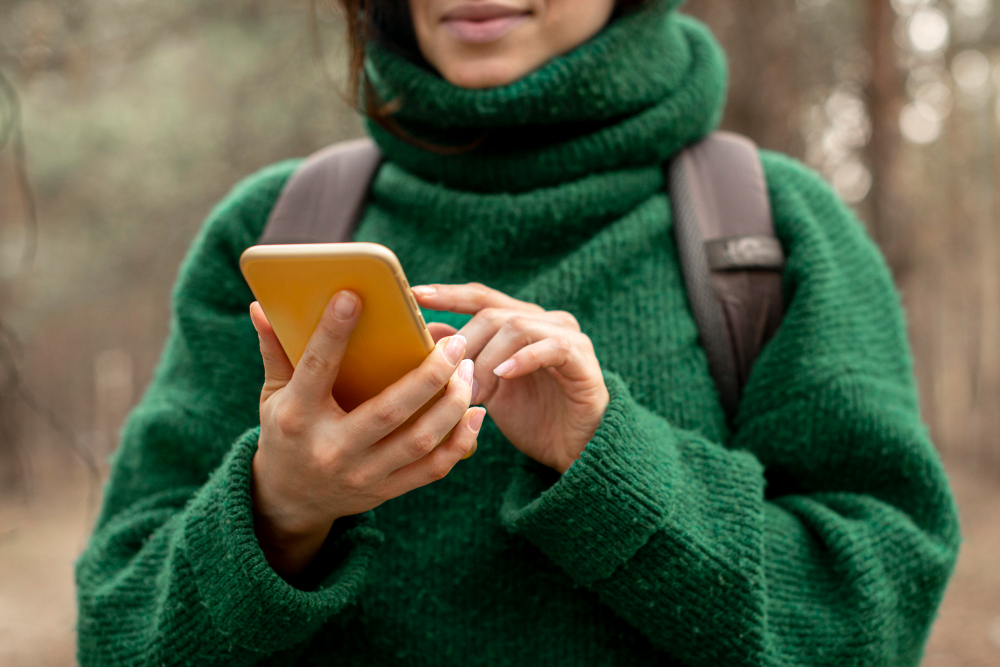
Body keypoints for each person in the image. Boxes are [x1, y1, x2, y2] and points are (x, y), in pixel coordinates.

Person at [75, 0, 961, 665]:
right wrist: (281, 511)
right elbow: (116, 628)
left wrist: (610, 466)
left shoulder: (772, 232)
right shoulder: (275, 228)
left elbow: (876, 616)